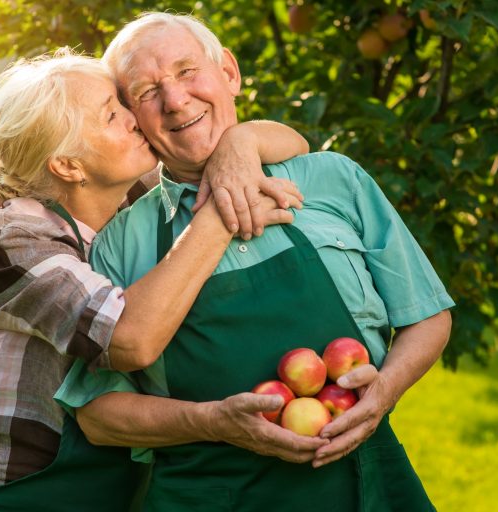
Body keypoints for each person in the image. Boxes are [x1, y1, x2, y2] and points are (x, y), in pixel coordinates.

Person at [57, 12, 455, 511]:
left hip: (362, 484)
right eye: (146, 91)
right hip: (206, 494)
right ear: (134, 117)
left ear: (229, 72)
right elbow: (97, 415)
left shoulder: (332, 179)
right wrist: (210, 422)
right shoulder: (119, 242)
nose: (176, 100)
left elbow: (427, 315)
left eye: (186, 71)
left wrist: (385, 392)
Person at [0, 48, 317, 512]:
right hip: (14, 485)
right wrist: (220, 212)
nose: (135, 119)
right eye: (112, 115)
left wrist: (241, 144)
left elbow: (296, 143)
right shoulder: (11, 244)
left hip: (112, 470)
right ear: (69, 166)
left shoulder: (132, 192)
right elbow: (130, 340)